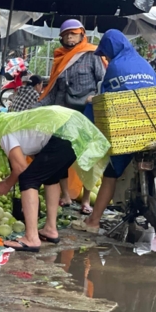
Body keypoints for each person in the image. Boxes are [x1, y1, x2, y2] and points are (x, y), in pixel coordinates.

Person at [0, 106, 110, 252]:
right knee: (50, 178)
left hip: (65, 132)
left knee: (28, 180)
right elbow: (37, 157)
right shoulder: (10, 122)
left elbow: (21, 168)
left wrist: (7, 184)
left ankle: (31, 238)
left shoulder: (2, 131)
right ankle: (50, 229)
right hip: (73, 130)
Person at [76, 29, 156, 234]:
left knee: (110, 174)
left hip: (127, 128)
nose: (106, 56)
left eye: (106, 52)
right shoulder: (145, 64)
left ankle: (93, 222)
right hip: (154, 127)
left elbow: (105, 99)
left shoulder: (115, 65)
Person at [39, 19, 106, 215]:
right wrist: (33, 108)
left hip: (86, 115)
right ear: (61, 37)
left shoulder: (93, 54)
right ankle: (66, 195)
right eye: (66, 34)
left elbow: (103, 83)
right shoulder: (59, 58)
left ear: (81, 34)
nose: (69, 36)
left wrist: (95, 99)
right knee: (59, 155)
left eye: (73, 33)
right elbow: (52, 91)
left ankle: (86, 200)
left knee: (88, 157)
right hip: (63, 116)